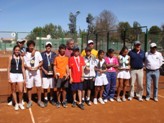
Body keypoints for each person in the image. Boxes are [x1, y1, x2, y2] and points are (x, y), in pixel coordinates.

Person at [24, 40, 44, 108]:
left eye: (32, 46)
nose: (31, 47)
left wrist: (37, 67)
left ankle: (39, 100)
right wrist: (27, 67)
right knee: (29, 87)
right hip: (28, 72)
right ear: (28, 46)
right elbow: (23, 63)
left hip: (37, 72)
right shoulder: (25, 53)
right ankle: (29, 101)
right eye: (30, 46)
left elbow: (41, 62)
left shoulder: (37, 53)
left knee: (39, 87)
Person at [8, 45, 26, 110]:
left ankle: (20, 103)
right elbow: (9, 67)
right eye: (16, 50)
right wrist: (9, 77)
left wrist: (25, 78)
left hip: (20, 75)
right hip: (12, 74)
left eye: (18, 50)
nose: (17, 51)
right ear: (14, 50)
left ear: (19, 51)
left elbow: (23, 68)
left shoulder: (21, 58)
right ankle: (16, 104)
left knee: (21, 90)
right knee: (13, 90)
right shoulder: (11, 57)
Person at [41, 42, 56, 106]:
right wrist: (44, 71)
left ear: (51, 47)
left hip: (52, 74)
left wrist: (54, 70)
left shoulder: (54, 54)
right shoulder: (42, 54)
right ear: (45, 47)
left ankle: (51, 98)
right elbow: (40, 64)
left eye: (49, 46)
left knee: (52, 87)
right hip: (45, 74)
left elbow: (56, 64)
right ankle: (45, 98)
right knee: (45, 87)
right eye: (47, 46)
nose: (48, 47)